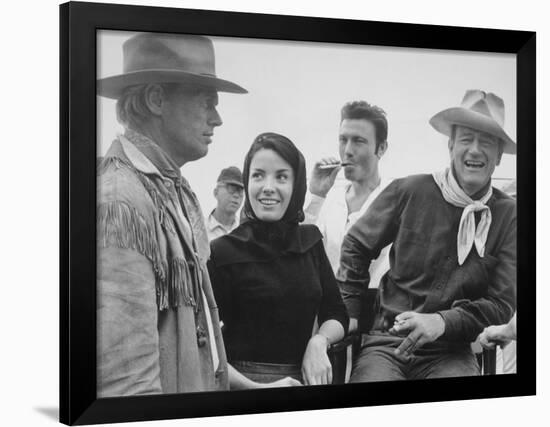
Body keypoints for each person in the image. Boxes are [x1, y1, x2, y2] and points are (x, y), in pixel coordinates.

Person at [96, 32, 294, 397]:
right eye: (207, 102)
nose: (217, 119)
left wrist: (255, 388)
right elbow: (126, 388)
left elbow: (198, 354)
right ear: (156, 99)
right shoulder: (120, 200)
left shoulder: (171, 191)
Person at [338, 90, 517, 382]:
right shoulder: (409, 190)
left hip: (452, 352)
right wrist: (351, 311)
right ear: (450, 145)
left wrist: (442, 322)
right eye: (466, 139)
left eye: (486, 142)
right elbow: (356, 245)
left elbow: (501, 305)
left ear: (498, 155)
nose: (474, 150)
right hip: (387, 343)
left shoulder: (510, 215)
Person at [208, 132, 349, 385]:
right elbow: (204, 345)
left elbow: (337, 314)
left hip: (308, 379)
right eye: (258, 175)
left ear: (296, 185)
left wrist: (319, 341)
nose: (268, 187)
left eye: (281, 177)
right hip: (242, 388)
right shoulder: (221, 252)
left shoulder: (311, 242)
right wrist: (259, 388)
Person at [304, 101, 391, 328]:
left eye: (359, 141)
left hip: (376, 327)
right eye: (343, 139)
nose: (348, 150)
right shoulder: (328, 200)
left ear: (381, 148)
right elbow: (300, 253)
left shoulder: (395, 201)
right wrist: (316, 195)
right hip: (326, 323)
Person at [206, 166, 244, 241]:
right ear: (216, 193)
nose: (236, 195)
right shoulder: (199, 230)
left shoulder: (245, 233)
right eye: (231, 188)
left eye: (240, 191)